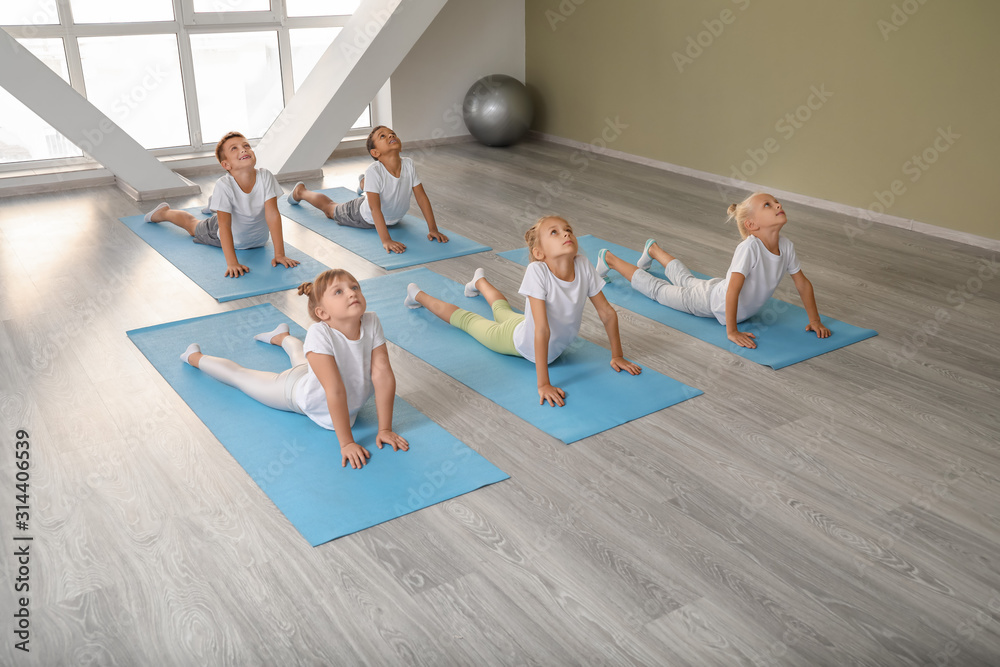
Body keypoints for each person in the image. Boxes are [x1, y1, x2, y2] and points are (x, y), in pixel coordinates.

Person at [179, 269, 408, 469]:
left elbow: (382, 375)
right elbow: (334, 390)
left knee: (303, 361)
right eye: (339, 292)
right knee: (241, 377)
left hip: (312, 374)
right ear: (322, 314)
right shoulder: (319, 333)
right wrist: (347, 443)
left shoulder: (371, 321)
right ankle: (193, 356)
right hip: (294, 391)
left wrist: (385, 428)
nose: (351, 293)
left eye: (354, 287)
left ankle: (281, 337)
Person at [403, 215, 641, 407]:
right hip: (515, 341)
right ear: (539, 254)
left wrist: (617, 355)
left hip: (524, 325)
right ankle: (416, 294)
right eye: (554, 232)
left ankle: (479, 282)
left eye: (568, 229)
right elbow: (541, 329)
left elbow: (607, 313)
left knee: (503, 310)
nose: (566, 233)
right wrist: (543, 384)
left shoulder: (583, 265)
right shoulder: (538, 271)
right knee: (467, 320)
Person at [595, 192, 831, 349]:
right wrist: (732, 331)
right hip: (708, 302)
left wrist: (815, 320)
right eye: (768, 205)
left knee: (686, 280)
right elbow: (733, 292)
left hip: (716, 290)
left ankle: (654, 250)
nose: (778, 205)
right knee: (659, 291)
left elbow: (802, 283)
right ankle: (610, 260)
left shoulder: (786, 246)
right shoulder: (749, 248)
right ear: (751, 225)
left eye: (776, 202)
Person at [144, 131, 300, 278]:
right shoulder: (224, 185)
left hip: (257, 241)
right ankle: (163, 213)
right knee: (192, 225)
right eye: (235, 148)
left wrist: (279, 254)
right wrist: (232, 263)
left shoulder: (265, 176)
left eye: (246, 146)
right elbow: (224, 226)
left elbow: (272, 214)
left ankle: (216, 202)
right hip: (220, 232)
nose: (244, 150)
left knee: (224, 205)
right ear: (226, 165)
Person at [286, 126, 448, 254]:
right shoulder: (374, 171)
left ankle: (364, 184)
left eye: (392, 133)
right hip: (362, 215)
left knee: (374, 186)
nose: (391, 136)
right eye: (383, 136)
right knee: (330, 209)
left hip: (392, 218)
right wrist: (386, 240)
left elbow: (421, 198)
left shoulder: (409, 164)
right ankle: (301, 192)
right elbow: (374, 208)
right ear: (375, 152)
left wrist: (433, 229)